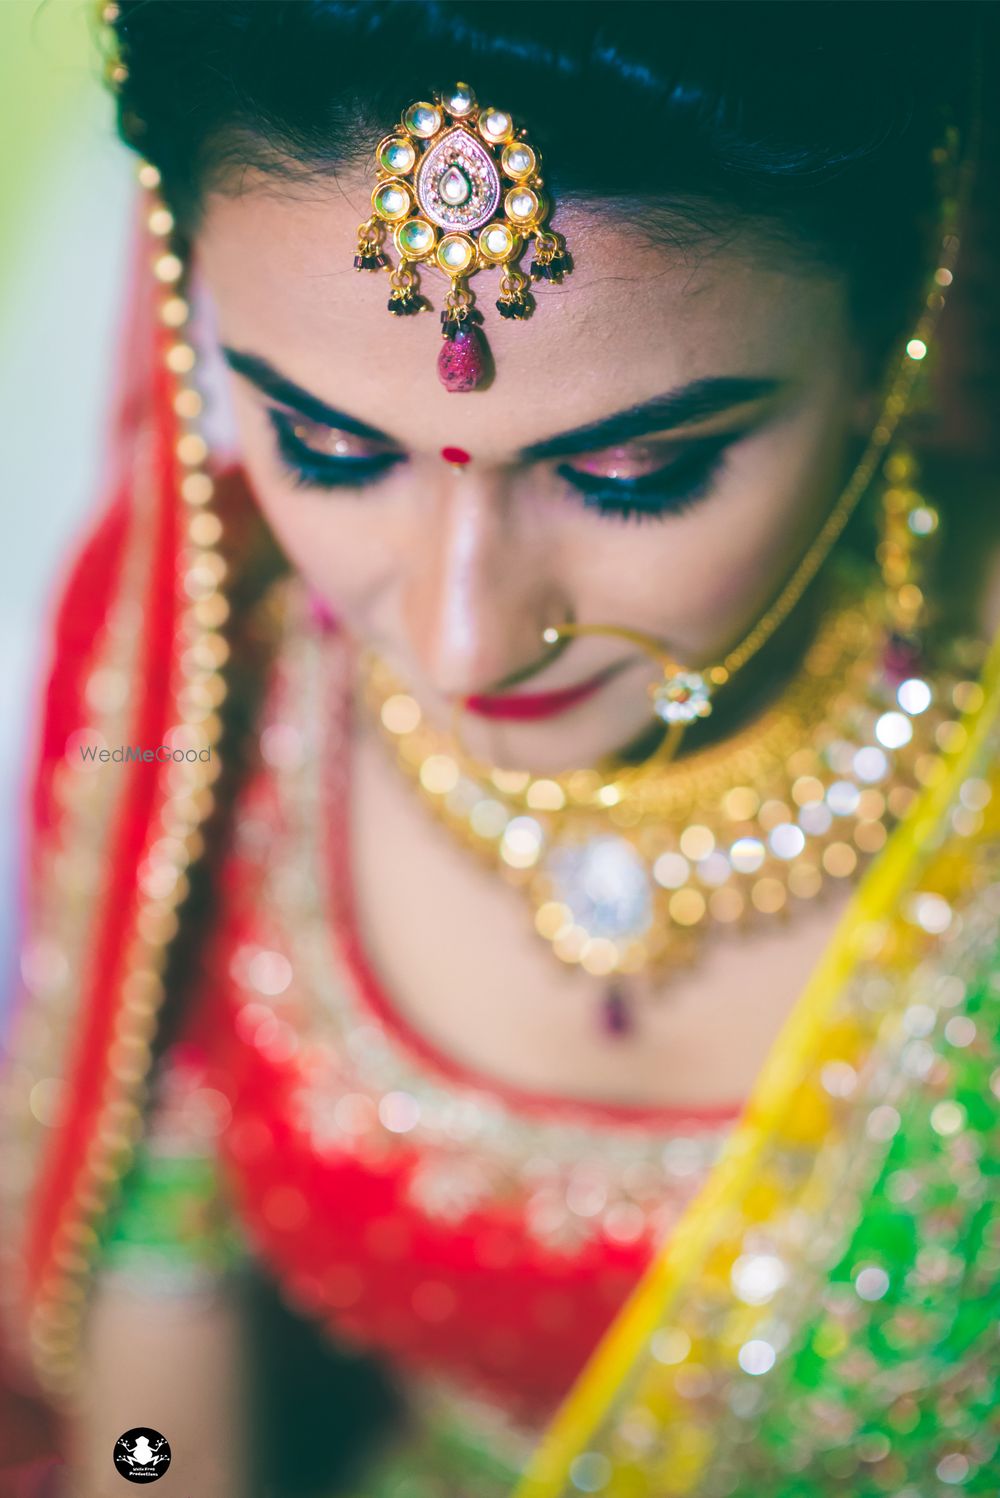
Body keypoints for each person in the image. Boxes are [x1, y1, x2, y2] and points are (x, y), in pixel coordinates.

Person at [1, 3, 998, 1495]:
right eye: (331, 449)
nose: (463, 639)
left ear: (899, 312)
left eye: (632, 474)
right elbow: (159, 1369)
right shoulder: (221, 667)